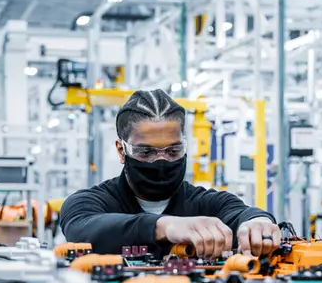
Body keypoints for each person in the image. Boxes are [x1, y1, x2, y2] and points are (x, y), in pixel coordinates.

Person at [59, 89, 281, 259]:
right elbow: (83, 228)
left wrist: (258, 222)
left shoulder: (209, 205)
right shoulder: (89, 203)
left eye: (173, 151)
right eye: (146, 152)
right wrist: (165, 226)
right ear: (121, 150)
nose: (161, 161)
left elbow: (242, 213)